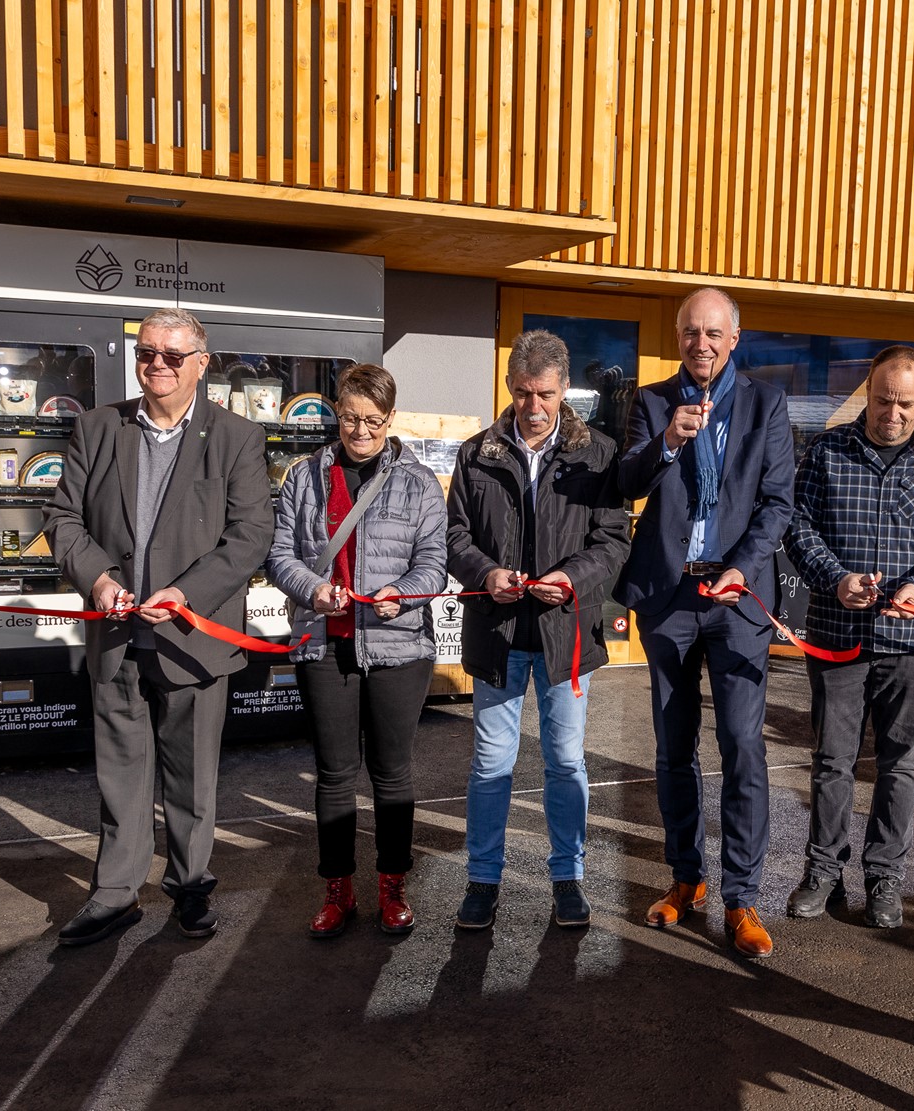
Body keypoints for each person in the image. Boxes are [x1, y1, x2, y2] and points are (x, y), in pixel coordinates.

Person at [43, 308, 271, 946]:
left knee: (192, 776)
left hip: (193, 637)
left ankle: (190, 884)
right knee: (119, 772)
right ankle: (115, 893)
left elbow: (251, 535)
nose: (157, 365)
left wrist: (186, 594)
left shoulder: (237, 437)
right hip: (116, 635)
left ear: (202, 362)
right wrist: (101, 581)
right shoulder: (97, 427)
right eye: (146, 353)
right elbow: (63, 519)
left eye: (173, 355)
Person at [614, 287, 795, 958]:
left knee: (743, 745)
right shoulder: (653, 401)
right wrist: (666, 442)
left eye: (714, 332)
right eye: (691, 331)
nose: (702, 343)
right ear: (680, 336)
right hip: (670, 597)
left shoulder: (767, 405)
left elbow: (777, 504)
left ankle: (741, 895)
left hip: (735, 599)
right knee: (673, 747)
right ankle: (686, 876)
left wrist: (743, 566)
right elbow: (626, 480)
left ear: (734, 339)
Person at [782, 346, 914, 929]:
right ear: (869, 392)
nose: (893, 413)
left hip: (913, 639)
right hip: (839, 632)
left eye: (906, 403)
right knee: (831, 761)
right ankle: (823, 870)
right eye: (884, 400)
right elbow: (799, 526)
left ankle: (885, 876)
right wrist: (835, 579)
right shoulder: (827, 451)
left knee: (901, 764)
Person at [445, 330, 631, 931]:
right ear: (510, 388)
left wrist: (572, 580)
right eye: (523, 393)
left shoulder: (598, 454)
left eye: (545, 394)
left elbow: (612, 540)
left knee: (565, 764)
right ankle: (483, 881)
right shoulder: (477, 454)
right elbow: (455, 538)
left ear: (563, 390)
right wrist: (486, 572)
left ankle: (568, 878)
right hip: (497, 633)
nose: (533, 407)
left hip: (564, 634)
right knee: (491, 765)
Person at [271, 363, 447, 937]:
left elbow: (434, 563)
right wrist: (312, 590)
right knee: (334, 774)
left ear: (390, 418)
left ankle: (392, 887)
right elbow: (280, 556)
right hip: (325, 643)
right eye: (350, 419)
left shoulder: (419, 483)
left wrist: (406, 593)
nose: (361, 431)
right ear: (336, 414)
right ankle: (338, 890)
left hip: (399, 646)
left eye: (373, 420)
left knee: (392, 775)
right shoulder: (305, 477)